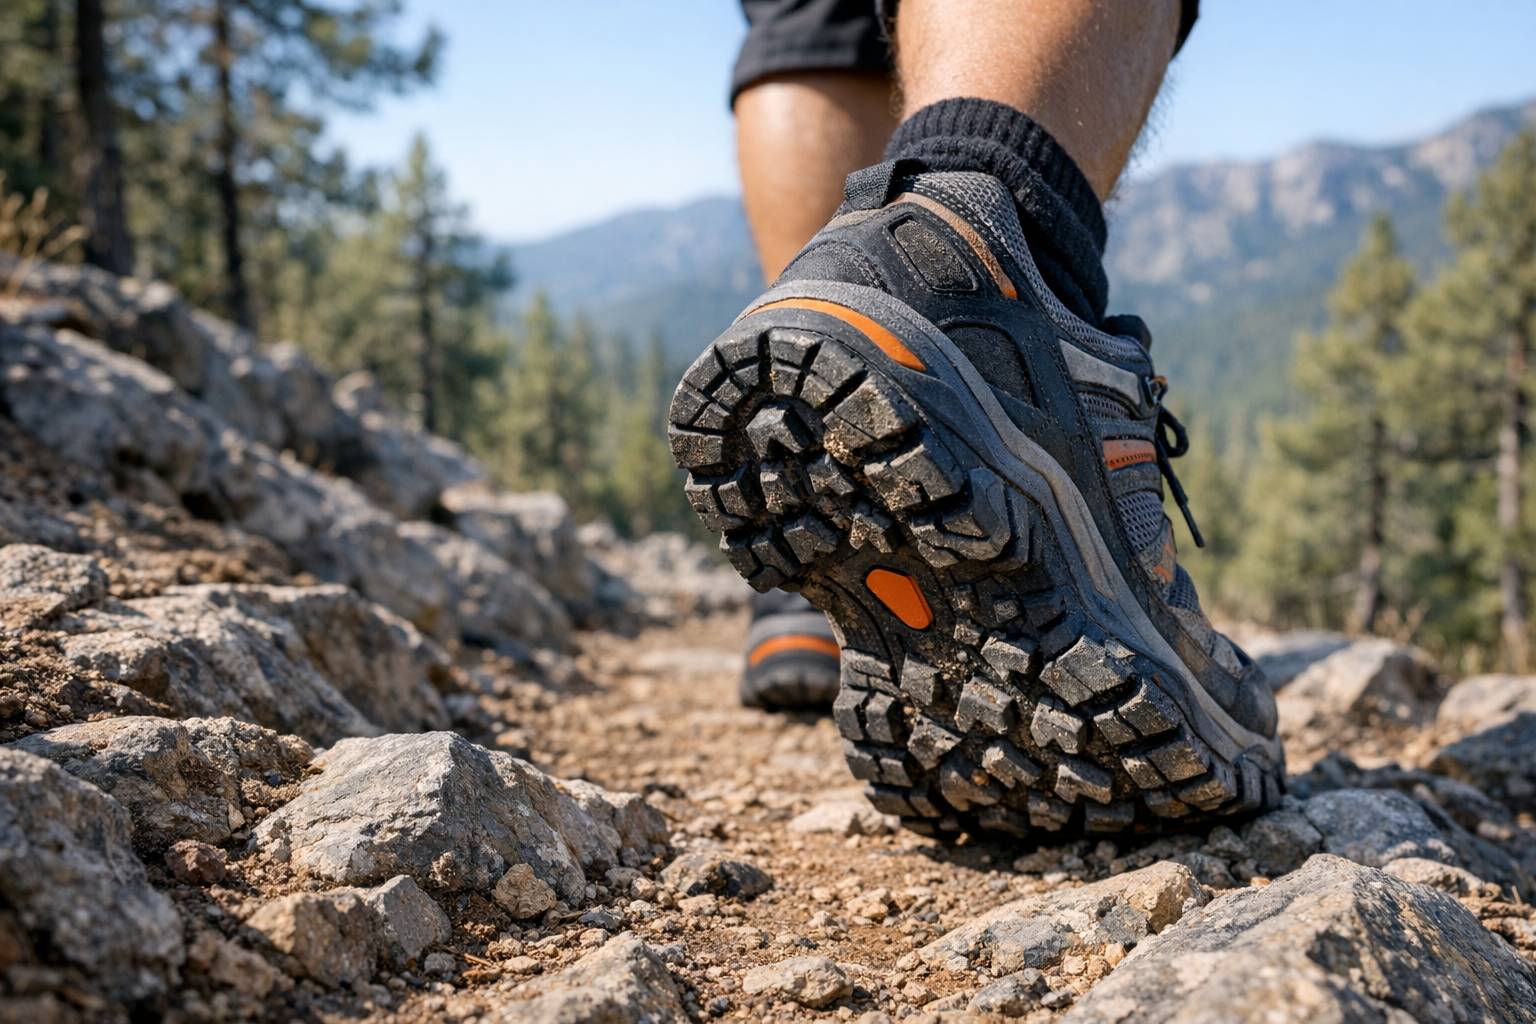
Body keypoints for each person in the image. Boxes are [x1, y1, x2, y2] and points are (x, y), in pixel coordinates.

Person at [671, 0, 1282, 838]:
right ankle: (977, 257)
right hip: (986, 290)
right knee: (957, 234)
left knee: (813, 9)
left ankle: (861, 317)